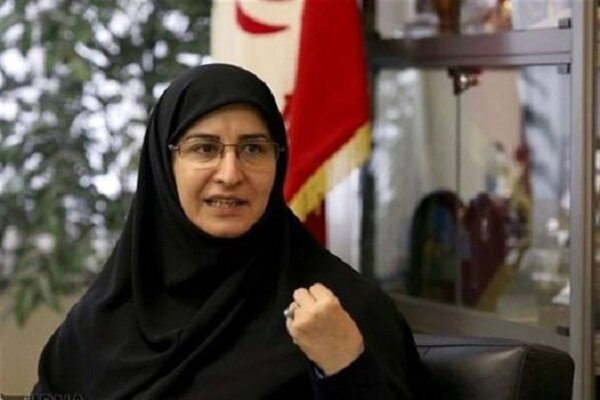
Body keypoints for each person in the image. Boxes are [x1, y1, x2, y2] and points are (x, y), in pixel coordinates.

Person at [33, 64, 424, 399]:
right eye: (205, 148)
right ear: (164, 165)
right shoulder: (99, 323)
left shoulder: (341, 311)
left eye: (253, 149)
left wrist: (347, 367)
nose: (230, 174)